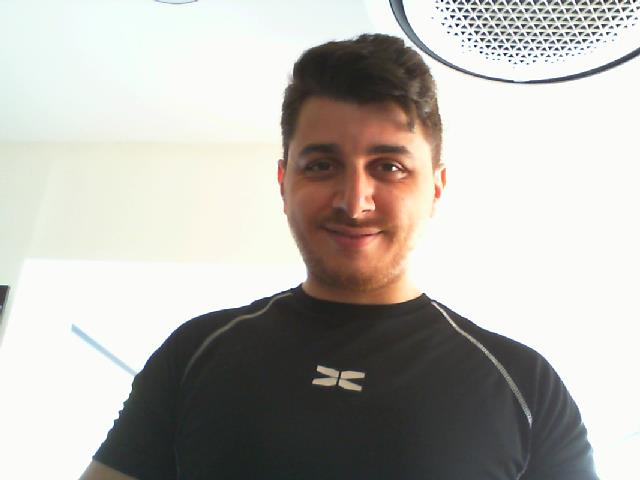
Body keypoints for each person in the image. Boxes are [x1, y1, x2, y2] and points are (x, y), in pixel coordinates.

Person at [80, 33, 598, 479]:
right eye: (322, 165)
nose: (354, 202)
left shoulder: (525, 386)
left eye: (389, 167)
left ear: (436, 188)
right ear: (284, 183)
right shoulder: (194, 353)